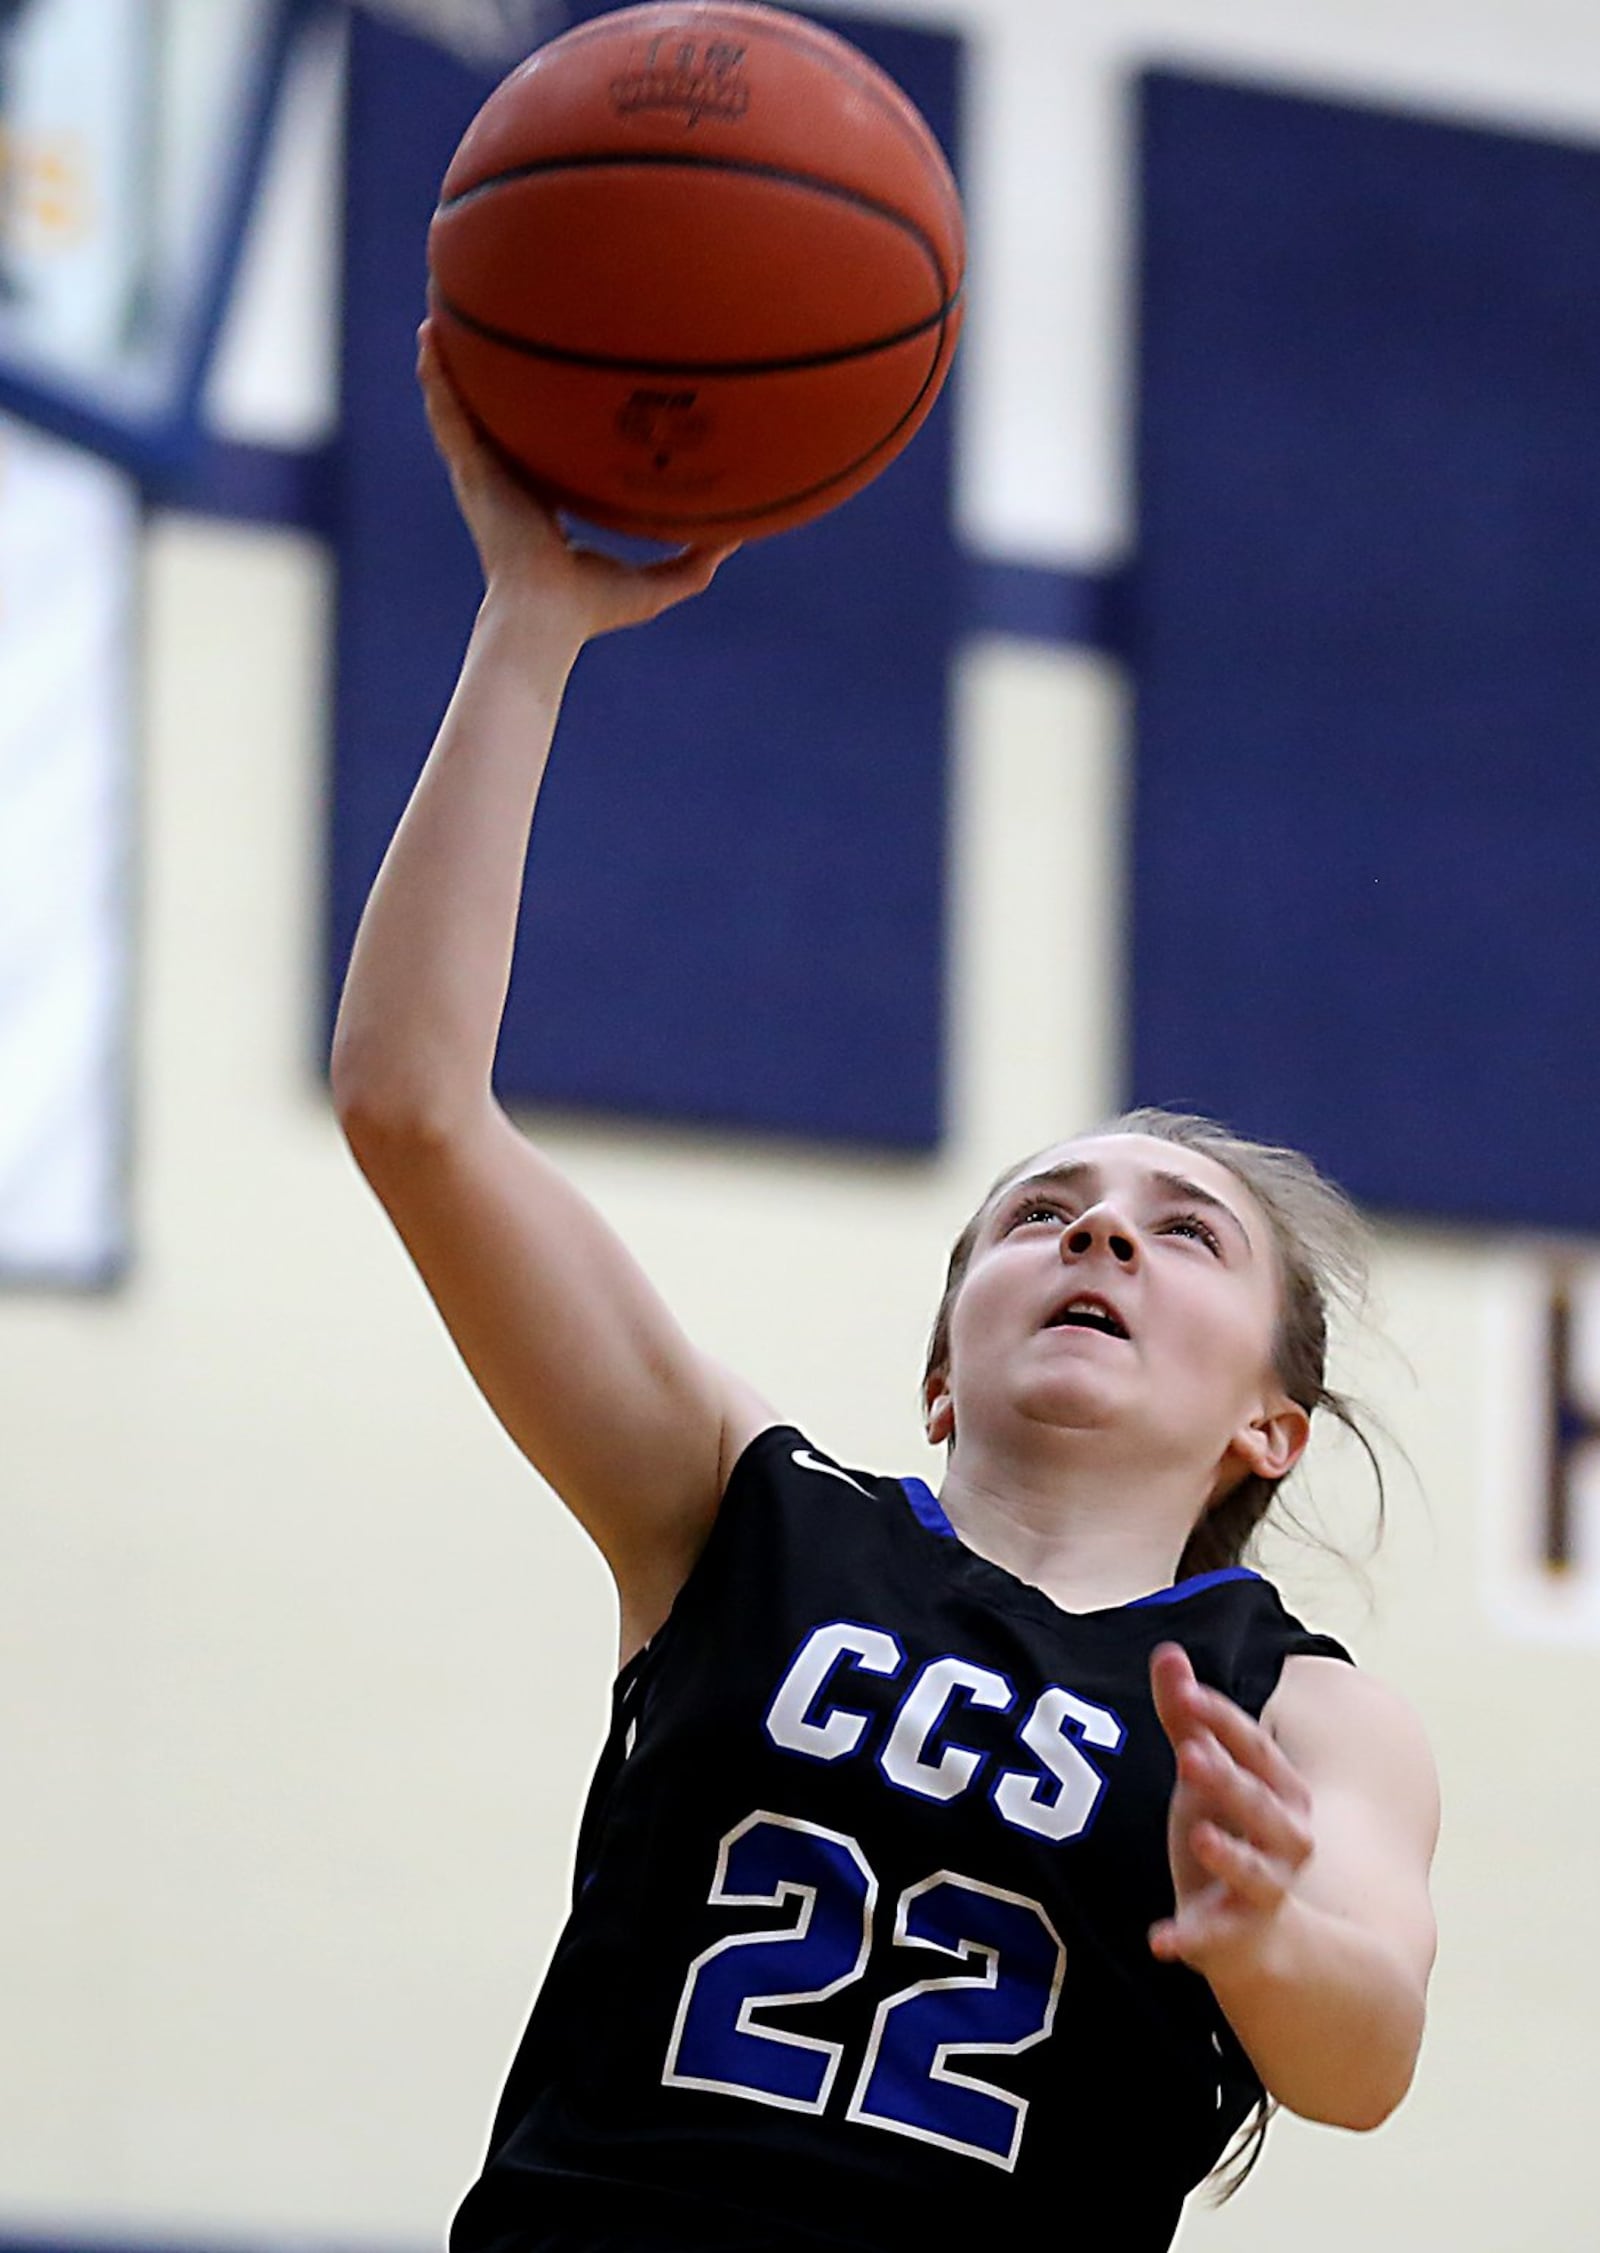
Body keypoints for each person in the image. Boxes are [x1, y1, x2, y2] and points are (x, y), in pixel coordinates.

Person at [330, 327, 1440, 2253]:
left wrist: (1267, 1929)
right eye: (1043, 1213)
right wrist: (527, 625)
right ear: (944, 1364)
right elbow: (414, 1108)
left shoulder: (1299, 1714)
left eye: (1184, 1232)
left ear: (1269, 1416)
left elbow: (1366, 2055)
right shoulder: (738, 1518)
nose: (1098, 1236)